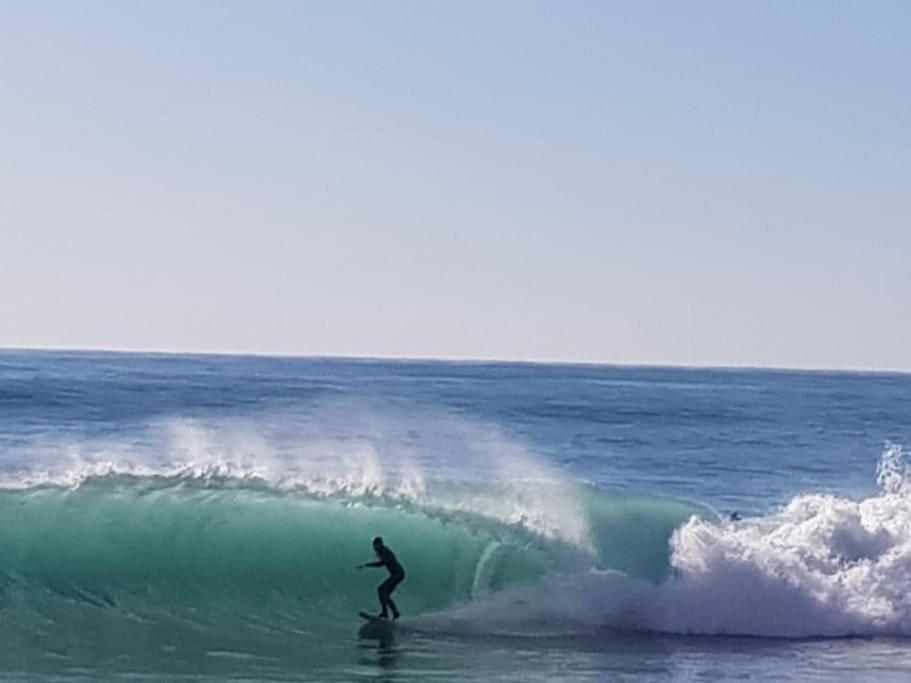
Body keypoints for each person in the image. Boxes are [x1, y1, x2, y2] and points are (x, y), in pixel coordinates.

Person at [357, 536, 405, 619]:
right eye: (373, 545)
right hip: (397, 574)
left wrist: (368, 565)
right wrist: (368, 564)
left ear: (380, 544)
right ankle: (395, 613)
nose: (374, 547)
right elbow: (383, 562)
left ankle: (385, 612)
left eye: (375, 545)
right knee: (384, 593)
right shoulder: (381, 551)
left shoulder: (384, 551)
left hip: (398, 574)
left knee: (381, 590)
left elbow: (383, 563)